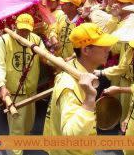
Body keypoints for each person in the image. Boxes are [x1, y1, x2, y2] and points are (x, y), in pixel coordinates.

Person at [44, 23, 118, 155]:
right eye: (102, 46)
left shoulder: (76, 67)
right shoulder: (68, 85)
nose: (108, 49)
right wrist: (89, 99)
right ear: (86, 50)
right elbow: (71, 137)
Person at [0, 13, 47, 155]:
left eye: (27, 30)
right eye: (21, 29)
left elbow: (45, 57)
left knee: (29, 123)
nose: (23, 32)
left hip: (31, 90)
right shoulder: (4, 41)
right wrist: (2, 86)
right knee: (17, 127)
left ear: (31, 29)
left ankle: (24, 142)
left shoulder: (36, 40)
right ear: (15, 26)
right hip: (14, 92)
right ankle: (16, 151)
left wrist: (51, 59)